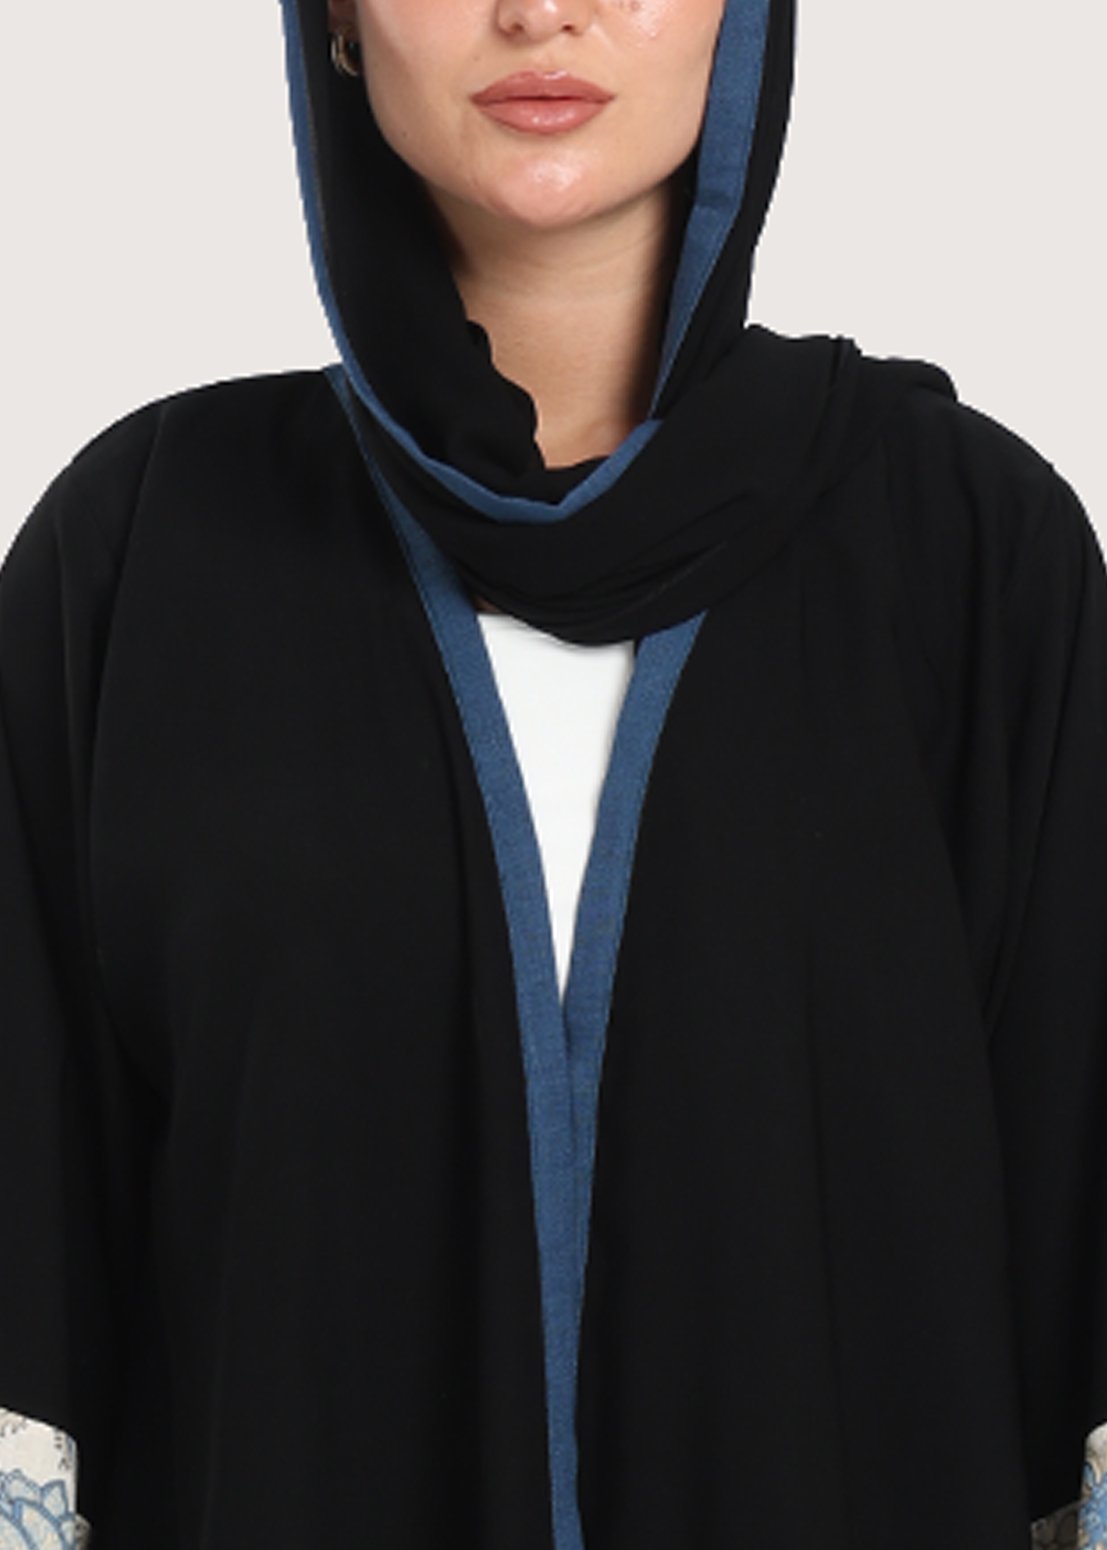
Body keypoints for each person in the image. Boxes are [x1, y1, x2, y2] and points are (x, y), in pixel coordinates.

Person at [1, 0, 1104, 1545]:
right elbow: (35, 1306)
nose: (538, 10)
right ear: (336, 17)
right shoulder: (138, 564)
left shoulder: (972, 563)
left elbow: (1077, 1278)